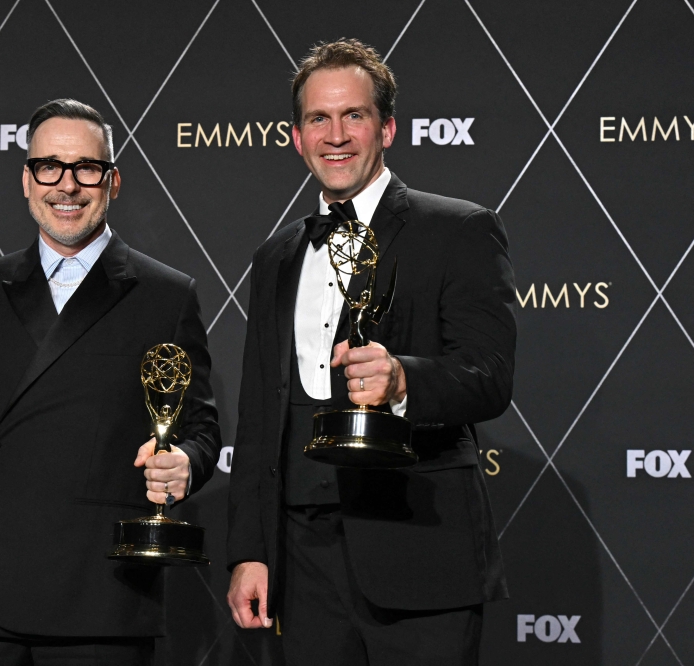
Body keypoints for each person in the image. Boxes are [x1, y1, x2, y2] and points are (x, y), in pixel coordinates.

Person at [0, 98, 222, 666]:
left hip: (100, 597)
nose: (66, 186)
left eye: (86, 169)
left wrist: (184, 464)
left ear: (112, 181)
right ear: (26, 180)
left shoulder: (166, 295)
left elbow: (199, 427)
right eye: (49, 166)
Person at [226, 39, 515, 664]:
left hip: (417, 550)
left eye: (353, 115)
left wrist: (404, 382)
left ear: (387, 127)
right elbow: (257, 417)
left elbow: (489, 377)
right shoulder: (273, 258)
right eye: (317, 119)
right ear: (297, 138)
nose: (336, 135)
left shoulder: (458, 229)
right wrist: (251, 550)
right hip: (302, 565)